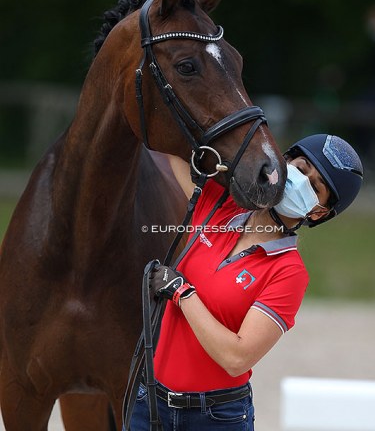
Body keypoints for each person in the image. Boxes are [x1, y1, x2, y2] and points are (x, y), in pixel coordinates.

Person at [130, 134, 363, 431]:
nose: (301, 180)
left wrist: (182, 293)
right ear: (284, 162)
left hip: (214, 418)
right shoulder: (221, 206)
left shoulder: (289, 272)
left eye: (314, 186)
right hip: (148, 403)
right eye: (301, 168)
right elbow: (170, 148)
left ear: (318, 212)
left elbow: (236, 357)